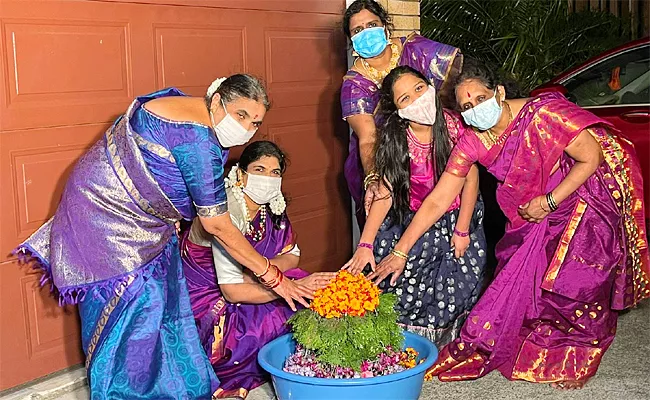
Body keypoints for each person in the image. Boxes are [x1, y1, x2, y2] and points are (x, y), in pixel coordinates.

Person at [13, 75, 313, 398]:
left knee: (170, 302)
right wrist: (274, 277)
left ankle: (187, 390)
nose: (247, 129)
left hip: (139, 220)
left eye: (255, 122)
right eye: (240, 115)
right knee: (137, 311)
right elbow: (217, 226)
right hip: (109, 225)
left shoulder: (182, 105)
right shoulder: (200, 142)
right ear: (216, 101)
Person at [373, 58, 650, 389]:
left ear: (499, 93)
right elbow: (438, 199)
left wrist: (549, 201)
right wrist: (401, 250)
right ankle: (549, 343)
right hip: (528, 215)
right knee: (525, 287)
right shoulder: (472, 140)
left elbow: (591, 157)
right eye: (466, 106)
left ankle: (580, 350)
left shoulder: (543, 115)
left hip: (579, 199)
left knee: (577, 280)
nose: (475, 109)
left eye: (480, 99)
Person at [342, 66, 487, 346]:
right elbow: (385, 191)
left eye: (419, 89)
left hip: (456, 214)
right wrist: (365, 244)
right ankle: (402, 343)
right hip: (411, 217)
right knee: (390, 273)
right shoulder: (395, 138)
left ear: (431, 86)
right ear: (397, 110)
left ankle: (441, 344)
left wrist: (462, 229)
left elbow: (471, 179)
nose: (417, 100)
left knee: (454, 279)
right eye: (404, 99)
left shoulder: (456, 126)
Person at [181, 141, 336, 399]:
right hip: (209, 298)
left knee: (304, 287)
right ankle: (238, 372)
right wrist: (286, 288)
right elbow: (232, 291)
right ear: (241, 175)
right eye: (259, 169)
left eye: (275, 172)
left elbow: (292, 254)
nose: (268, 178)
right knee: (271, 317)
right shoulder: (227, 211)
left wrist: (265, 276)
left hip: (251, 281)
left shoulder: (271, 208)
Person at [340, 0, 463, 227]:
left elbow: (453, 86)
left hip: (433, 148)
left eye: (372, 25)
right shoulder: (354, 84)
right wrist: (374, 178)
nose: (366, 33)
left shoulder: (415, 49)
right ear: (351, 41)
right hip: (386, 161)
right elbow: (368, 137)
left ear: (385, 27)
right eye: (358, 30)